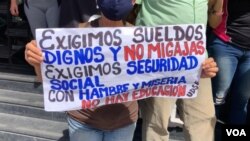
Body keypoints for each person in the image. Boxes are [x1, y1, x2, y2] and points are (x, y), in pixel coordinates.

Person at [25, 0, 138, 141]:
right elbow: (50, 80)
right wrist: (36, 62)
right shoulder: (76, 35)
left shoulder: (141, 37)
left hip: (124, 123)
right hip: (83, 123)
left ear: (133, 1)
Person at [135, 0, 219, 141]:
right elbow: (122, 6)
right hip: (161, 60)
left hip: (198, 62)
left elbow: (212, 14)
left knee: (204, 119)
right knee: (157, 122)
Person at [208, 0, 250, 125]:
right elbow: (213, 22)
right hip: (225, 44)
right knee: (219, 97)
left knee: (242, 101)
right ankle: (211, 134)